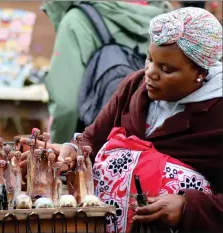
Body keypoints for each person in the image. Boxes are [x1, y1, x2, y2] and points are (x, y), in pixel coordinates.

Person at [32, 6, 222, 233]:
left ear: (200, 73)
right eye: (149, 59)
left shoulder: (216, 114)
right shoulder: (135, 87)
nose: (150, 72)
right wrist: (71, 151)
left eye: (166, 69)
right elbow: (92, 139)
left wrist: (188, 206)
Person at [42, 1, 172, 143]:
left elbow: (66, 106)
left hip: (96, 150)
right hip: (156, 147)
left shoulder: (78, 20)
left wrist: (62, 154)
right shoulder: (169, 23)